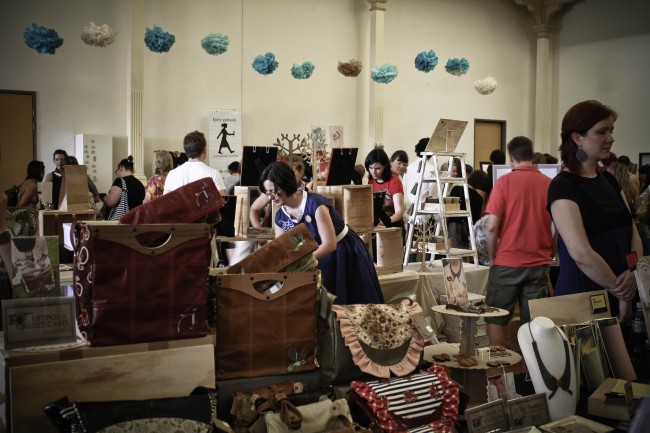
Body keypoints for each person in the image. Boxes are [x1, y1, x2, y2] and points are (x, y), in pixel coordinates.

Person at [547, 100, 642, 325]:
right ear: (577, 138)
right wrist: (621, 290)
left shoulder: (609, 180)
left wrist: (633, 271)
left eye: (611, 131)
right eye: (601, 132)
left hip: (622, 291)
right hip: (585, 296)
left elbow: (632, 233)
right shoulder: (563, 185)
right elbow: (580, 253)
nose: (610, 138)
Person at [260, 161, 384, 304]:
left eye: (273, 191)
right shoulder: (280, 216)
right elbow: (281, 249)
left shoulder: (315, 204)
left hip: (344, 251)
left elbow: (330, 245)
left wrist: (301, 265)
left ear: (286, 184)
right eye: (267, 192)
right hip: (318, 257)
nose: (270, 197)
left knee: (353, 302)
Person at [485, 136, 554, 347]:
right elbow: (557, 227)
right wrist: (551, 254)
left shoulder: (504, 182)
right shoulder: (549, 183)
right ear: (532, 156)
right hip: (539, 262)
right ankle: (531, 373)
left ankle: (499, 373)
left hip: (507, 261)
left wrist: (492, 257)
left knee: (496, 317)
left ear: (511, 156)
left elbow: (491, 226)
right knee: (535, 324)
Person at [164, 131, 226, 196]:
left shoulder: (172, 174)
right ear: (204, 150)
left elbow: (164, 204)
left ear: (186, 150)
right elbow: (222, 203)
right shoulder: (214, 174)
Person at [365, 148, 404, 230]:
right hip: (377, 226)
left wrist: (385, 222)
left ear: (385, 166)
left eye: (378, 168)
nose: (373, 172)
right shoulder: (371, 182)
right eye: (371, 168)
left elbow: (399, 212)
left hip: (393, 225)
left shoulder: (394, 181)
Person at [403, 138, 437, 219]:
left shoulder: (409, 168)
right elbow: (434, 194)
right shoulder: (432, 169)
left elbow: (403, 188)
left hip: (408, 211)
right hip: (425, 212)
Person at [103, 156, 145, 221]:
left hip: (123, 222)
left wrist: (105, 197)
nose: (117, 173)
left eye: (116, 171)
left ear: (121, 168)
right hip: (136, 221)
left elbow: (110, 202)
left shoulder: (120, 181)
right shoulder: (140, 184)